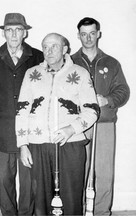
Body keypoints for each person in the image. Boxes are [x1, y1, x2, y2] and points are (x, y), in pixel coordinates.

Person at [16, 33, 100, 215]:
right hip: (38, 145)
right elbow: (21, 110)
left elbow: (92, 110)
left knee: (71, 198)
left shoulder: (80, 73)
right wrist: (22, 144)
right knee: (41, 199)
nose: (49, 50)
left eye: (54, 46)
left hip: (70, 144)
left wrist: (71, 129)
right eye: (45, 46)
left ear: (64, 49)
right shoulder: (32, 74)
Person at [0, 13, 44, 216]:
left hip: (30, 130)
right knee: (5, 180)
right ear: (4, 33)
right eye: (9, 30)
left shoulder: (37, 57)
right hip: (3, 128)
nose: (14, 34)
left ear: (25, 32)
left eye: (18, 29)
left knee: (29, 182)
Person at [71, 17, 130, 215]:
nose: (88, 38)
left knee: (104, 173)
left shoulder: (111, 63)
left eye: (92, 33)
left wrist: (107, 99)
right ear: (78, 35)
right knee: (78, 172)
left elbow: (123, 91)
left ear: (99, 34)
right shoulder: (69, 61)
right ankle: (78, 211)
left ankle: (102, 212)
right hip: (78, 125)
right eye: (84, 34)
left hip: (104, 124)